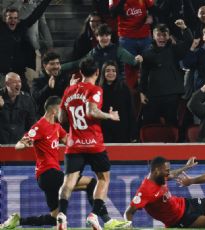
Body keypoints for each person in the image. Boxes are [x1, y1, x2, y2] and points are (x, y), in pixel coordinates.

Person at [0, 96, 96, 229]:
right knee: (92, 182)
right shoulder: (39, 126)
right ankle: (94, 217)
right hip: (47, 173)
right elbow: (18, 145)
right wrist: (24, 144)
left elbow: (69, 141)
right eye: (61, 109)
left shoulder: (57, 127)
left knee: (53, 218)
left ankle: (18, 221)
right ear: (54, 111)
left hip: (48, 177)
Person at [56, 58, 130, 230]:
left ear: (81, 73)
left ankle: (62, 214)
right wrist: (109, 116)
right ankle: (94, 216)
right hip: (93, 144)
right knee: (103, 179)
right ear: (97, 73)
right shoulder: (95, 89)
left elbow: (61, 118)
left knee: (69, 182)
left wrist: (71, 93)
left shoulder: (69, 90)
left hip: (74, 145)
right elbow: (91, 111)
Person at [124, 156, 205, 228]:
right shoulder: (145, 190)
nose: (168, 173)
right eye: (166, 170)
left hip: (184, 204)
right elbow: (129, 212)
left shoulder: (159, 175)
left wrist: (187, 167)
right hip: (179, 219)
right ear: (157, 170)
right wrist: (129, 226)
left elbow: (172, 174)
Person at [138, 22, 192, 126]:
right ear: (153, 36)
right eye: (159, 35)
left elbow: (188, 42)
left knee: (172, 123)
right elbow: (143, 74)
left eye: (164, 35)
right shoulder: (146, 53)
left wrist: (184, 28)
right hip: (153, 95)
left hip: (172, 95)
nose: (161, 37)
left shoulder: (174, 50)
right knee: (151, 124)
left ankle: (175, 142)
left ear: (168, 36)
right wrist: (141, 92)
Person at [0, 0, 52, 92]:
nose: (13, 20)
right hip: (3, 74)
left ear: (18, 19)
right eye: (10, 18)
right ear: (5, 19)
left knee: (27, 97)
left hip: (20, 73)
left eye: (15, 18)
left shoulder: (22, 26)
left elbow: (36, 14)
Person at [98, 61, 136, 143]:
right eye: (108, 70)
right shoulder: (98, 90)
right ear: (103, 73)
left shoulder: (124, 88)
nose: (111, 73)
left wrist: (132, 133)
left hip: (122, 130)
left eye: (113, 70)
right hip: (104, 130)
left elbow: (130, 111)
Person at [0, 72, 36, 144]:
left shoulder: (27, 99)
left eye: (19, 81)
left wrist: (30, 139)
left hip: (19, 143)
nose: (18, 84)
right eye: (14, 82)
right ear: (7, 84)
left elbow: (32, 123)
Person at [32, 52, 70, 116]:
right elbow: (36, 99)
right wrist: (48, 87)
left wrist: (72, 88)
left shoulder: (65, 78)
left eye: (57, 63)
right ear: (45, 65)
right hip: (45, 118)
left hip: (62, 116)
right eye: (52, 64)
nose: (56, 66)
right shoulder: (37, 81)